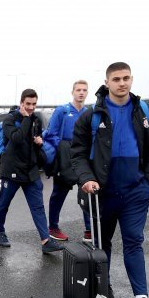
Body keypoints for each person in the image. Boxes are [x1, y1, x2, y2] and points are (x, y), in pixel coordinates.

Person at [71, 62, 149, 298]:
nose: (122, 83)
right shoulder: (92, 115)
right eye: (116, 79)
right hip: (103, 192)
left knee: (134, 241)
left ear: (131, 80)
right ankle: (104, 291)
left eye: (126, 78)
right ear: (107, 82)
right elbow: (77, 153)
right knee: (103, 245)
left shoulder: (145, 111)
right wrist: (86, 179)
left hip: (136, 192)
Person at [0, 89, 64, 254]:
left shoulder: (36, 121)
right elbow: (17, 139)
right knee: (3, 204)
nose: (31, 107)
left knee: (37, 207)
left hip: (30, 171)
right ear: (21, 104)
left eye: (34, 104)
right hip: (12, 171)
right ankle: (0, 232)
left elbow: (34, 141)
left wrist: (39, 143)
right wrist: (25, 118)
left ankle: (46, 240)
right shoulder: (9, 120)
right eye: (28, 104)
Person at [44, 81, 91, 242]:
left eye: (84, 90)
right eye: (78, 90)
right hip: (65, 158)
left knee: (87, 191)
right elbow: (51, 133)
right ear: (72, 92)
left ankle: (89, 230)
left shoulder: (88, 112)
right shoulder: (62, 111)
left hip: (82, 158)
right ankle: (53, 227)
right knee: (59, 193)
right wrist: (65, 148)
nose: (81, 93)